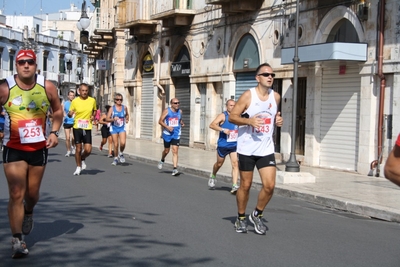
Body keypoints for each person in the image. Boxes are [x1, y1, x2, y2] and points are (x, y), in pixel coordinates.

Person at [0, 49, 62, 258]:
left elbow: (58, 110)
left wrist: (54, 132)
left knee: (32, 195)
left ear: (36, 65)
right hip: (13, 148)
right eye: (22, 62)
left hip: (38, 149)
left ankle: (29, 211)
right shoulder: (5, 87)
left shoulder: (48, 86)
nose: (26, 65)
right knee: (16, 193)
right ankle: (17, 240)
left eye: (30, 62)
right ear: (16, 66)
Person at [229, 63, 283, 235]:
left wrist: (278, 121)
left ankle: (257, 214)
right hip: (247, 148)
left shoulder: (276, 97)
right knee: (245, 185)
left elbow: (274, 115)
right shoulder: (248, 96)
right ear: (257, 78)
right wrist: (249, 121)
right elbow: (232, 116)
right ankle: (241, 217)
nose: (270, 77)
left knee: (270, 185)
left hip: (266, 148)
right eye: (266, 74)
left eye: (272, 75)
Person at [208, 99, 240, 193]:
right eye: (231, 105)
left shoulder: (237, 116)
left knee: (235, 164)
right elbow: (212, 125)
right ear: (227, 106)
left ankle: (234, 185)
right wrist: (223, 129)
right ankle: (213, 175)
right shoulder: (223, 115)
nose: (233, 107)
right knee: (219, 163)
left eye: (234, 105)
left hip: (234, 144)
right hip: (223, 145)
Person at [68, 83, 97, 175]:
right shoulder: (75, 101)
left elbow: (95, 110)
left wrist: (93, 116)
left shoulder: (92, 100)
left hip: (87, 127)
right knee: (78, 148)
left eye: (86, 91)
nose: (84, 92)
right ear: (79, 91)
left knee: (88, 150)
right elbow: (70, 113)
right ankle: (78, 167)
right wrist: (70, 113)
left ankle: (82, 158)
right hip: (77, 127)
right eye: (83, 91)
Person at [158, 98, 184, 176]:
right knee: (166, 151)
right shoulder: (167, 111)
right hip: (167, 134)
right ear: (171, 104)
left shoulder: (180, 111)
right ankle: (162, 160)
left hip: (176, 134)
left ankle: (175, 169)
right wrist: (167, 127)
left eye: (178, 103)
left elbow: (179, 120)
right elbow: (160, 121)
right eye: (175, 103)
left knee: (175, 151)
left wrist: (182, 123)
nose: (177, 104)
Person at [106, 93, 129, 166]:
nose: (119, 101)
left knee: (123, 143)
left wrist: (127, 119)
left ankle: (121, 153)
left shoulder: (124, 107)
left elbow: (127, 115)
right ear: (115, 100)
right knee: (115, 145)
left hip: (122, 127)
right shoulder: (112, 108)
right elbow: (107, 118)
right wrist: (113, 119)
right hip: (114, 128)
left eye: (121, 99)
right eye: (117, 99)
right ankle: (115, 158)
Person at [62, 90, 76, 157]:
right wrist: (64, 115)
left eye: (73, 95)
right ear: (68, 96)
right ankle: (68, 151)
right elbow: (62, 111)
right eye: (70, 95)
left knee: (74, 137)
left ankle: (73, 146)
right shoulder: (65, 103)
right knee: (67, 138)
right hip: (67, 121)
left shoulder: (76, 103)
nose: (72, 96)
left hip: (74, 121)